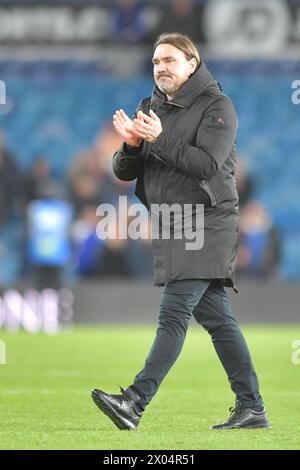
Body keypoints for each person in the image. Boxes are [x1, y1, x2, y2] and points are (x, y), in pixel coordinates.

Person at [91, 33, 271, 431]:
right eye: (156, 61)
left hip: (208, 220)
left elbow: (207, 165)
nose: (160, 68)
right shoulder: (150, 105)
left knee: (173, 314)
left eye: (170, 60)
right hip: (173, 220)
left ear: (193, 63)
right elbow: (124, 171)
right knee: (218, 320)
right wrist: (132, 146)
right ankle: (252, 407)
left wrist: (159, 138)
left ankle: (134, 402)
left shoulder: (217, 107)